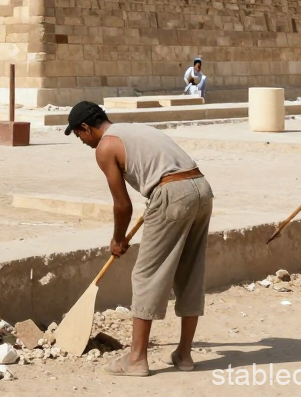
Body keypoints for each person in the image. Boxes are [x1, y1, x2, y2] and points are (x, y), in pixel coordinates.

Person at [66, 100, 212, 377]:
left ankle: (136, 359)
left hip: (172, 193)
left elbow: (122, 205)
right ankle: (184, 354)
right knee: (191, 271)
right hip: (201, 188)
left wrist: (117, 239)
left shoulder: (106, 146)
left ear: (86, 127)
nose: (82, 142)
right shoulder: (134, 129)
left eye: (78, 135)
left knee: (147, 275)